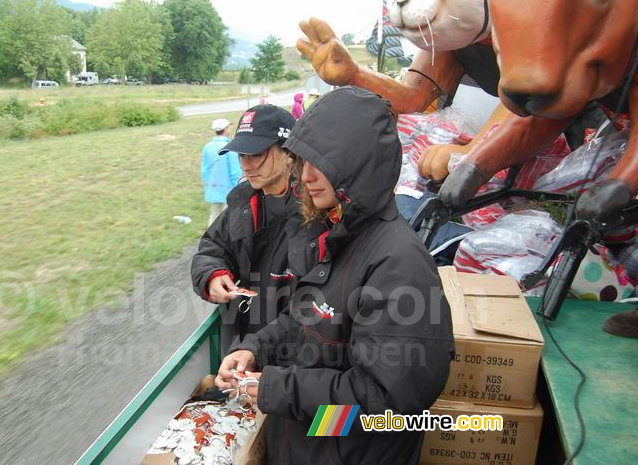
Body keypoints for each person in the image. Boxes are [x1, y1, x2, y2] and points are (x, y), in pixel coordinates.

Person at [216, 87, 455, 464]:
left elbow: (383, 408)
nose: (306, 176)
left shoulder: (398, 264)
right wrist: (254, 348)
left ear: (358, 163)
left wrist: (277, 388)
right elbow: (307, 317)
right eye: (302, 162)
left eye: (321, 163)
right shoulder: (339, 235)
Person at [191, 105, 305, 353]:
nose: (246, 165)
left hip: (299, 355)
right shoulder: (242, 201)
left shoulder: (313, 208)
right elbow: (211, 249)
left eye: (257, 154)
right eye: (242, 154)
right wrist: (212, 275)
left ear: (289, 151)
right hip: (249, 346)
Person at [201, 118, 242, 225]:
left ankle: (210, 240)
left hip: (213, 188)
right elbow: (235, 172)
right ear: (226, 129)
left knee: (214, 216)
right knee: (228, 219)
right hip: (228, 190)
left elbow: (204, 170)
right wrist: (239, 188)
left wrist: (208, 184)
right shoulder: (229, 147)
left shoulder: (207, 147)